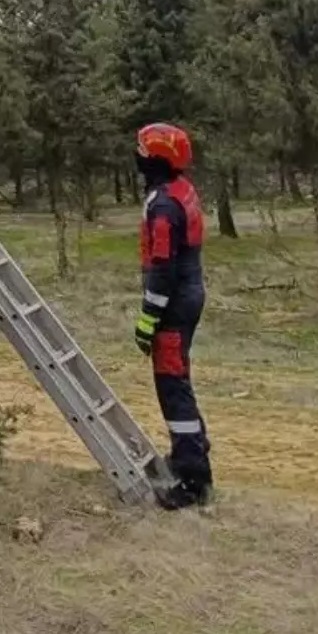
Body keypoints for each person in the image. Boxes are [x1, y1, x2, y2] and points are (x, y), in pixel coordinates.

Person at [133, 121, 214, 510]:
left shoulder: (163, 205)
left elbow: (163, 266)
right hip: (189, 291)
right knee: (179, 380)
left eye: (145, 153)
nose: (139, 157)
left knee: (173, 388)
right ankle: (195, 449)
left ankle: (191, 478)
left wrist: (148, 318)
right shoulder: (180, 191)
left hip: (174, 302)